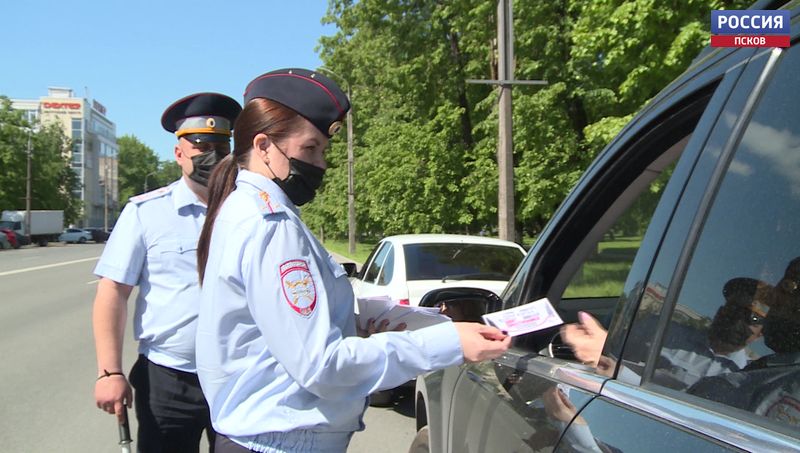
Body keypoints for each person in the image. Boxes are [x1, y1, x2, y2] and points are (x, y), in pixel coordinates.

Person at [194, 68, 511, 453]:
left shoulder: (251, 212)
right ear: (262, 147)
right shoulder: (270, 226)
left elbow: (310, 317)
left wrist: (430, 322)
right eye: (309, 149)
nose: (321, 164)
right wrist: (447, 342)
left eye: (322, 151)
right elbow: (322, 366)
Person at [92, 92, 242, 452]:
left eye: (221, 148)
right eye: (201, 146)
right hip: (170, 381)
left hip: (241, 376)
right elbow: (112, 293)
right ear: (179, 153)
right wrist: (110, 372)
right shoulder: (146, 213)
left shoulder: (251, 209)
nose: (212, 157)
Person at [562, 276, 772, 388]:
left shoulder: (742, 380)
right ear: (719, 311)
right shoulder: (656, 328)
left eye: (751, 318)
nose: (737, 320)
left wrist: (614, 368)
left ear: (761, 333)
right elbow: (608, 349)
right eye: (734, 310)